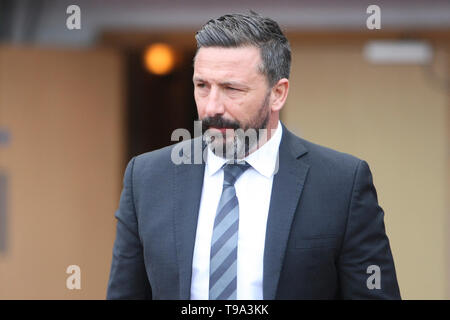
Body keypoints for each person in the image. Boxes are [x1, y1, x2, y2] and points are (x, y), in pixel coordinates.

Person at [106, 12, 401, 300]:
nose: (211, 108)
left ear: (278, 94)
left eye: (231, 89)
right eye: (202, 86)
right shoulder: (147, 178)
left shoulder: (342, 184)